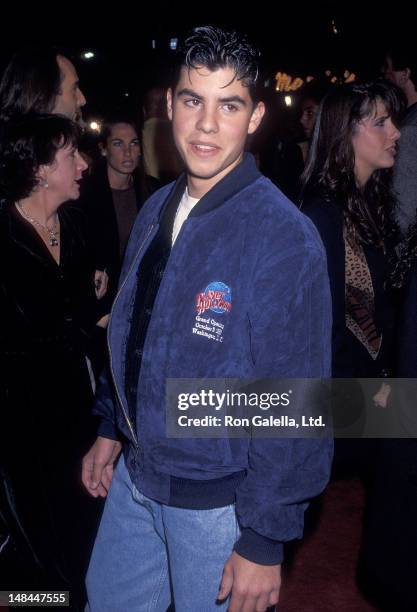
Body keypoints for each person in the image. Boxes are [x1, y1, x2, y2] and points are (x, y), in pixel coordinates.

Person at [82, 25, 333, 612]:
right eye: (193, 100)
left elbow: (296, 401)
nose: (206, 124)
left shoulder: (283, 237)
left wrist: (266, 536)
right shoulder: (154, 208)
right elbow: (134, 328)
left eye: (230, 104)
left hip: (219, 504)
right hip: (138, 479)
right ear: (170, 105)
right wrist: (109, 425)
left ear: (255, 117)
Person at [0, 114, 109, 609]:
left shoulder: (79, 226)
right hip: (21, 420)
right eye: (72, 156)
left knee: (84, 529)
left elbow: (84, 311)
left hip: (80, 409)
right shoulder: (2, 236)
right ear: (42, 169)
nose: (85, 164)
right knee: (34, 547)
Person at [77, 116, 159, 300]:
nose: (128, 152)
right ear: (103, 149)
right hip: (102, 297)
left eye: (134, 143)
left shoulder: (154, 191)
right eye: (118, 143)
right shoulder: (84, 195)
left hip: (142, 293)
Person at [383, 43, 417, 236]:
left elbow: (405, 216)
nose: (385, 73)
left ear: (404, 74)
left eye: (389, 67)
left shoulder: (409, 131)